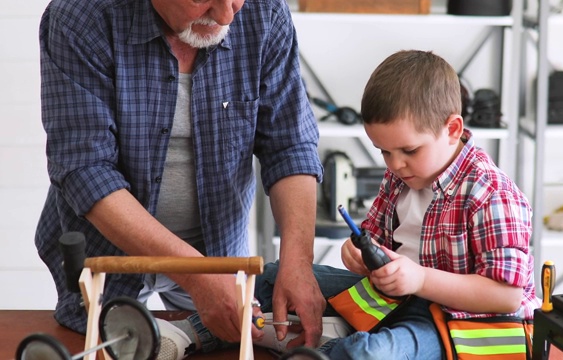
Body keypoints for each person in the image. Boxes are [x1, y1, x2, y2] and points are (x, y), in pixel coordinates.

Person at [174, 50, 542, 359]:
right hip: (391, 299)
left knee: (369, 354)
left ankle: (317, 346)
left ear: (453, 129)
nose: (394, 164)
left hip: (449, 320)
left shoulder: (492, 194)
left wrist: (421, 278)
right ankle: (182, 336)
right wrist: (360, 253)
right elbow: (374, 240)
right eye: (384, 151)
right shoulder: (401, 174)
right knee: (276, 275)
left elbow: (506, 294)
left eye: (409, 150)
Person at [36, 0, 326, 356]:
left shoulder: (265, 12)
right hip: (107, 255)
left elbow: (290, 145)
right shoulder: (80, 15)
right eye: (205, 0)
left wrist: (298, 263)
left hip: (218, 253)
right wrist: (196, 276)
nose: (226, 16)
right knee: (112, 348)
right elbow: (86, 170)